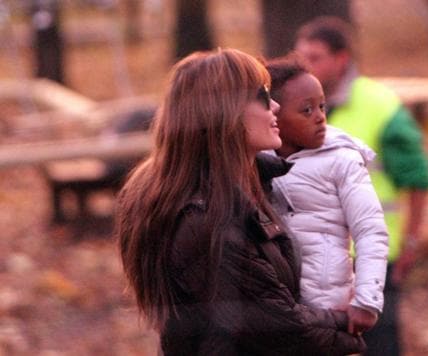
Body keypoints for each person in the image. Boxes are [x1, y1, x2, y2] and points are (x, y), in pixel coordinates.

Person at [115, 48, 365, 355]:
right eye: (261, 97)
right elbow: (282, 328)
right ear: (224, 112)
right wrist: (353, 326)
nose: (274, 106)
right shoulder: (205, 219)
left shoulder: (256, 186)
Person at [295, 17, 428, 355]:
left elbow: (418, 178)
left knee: (380, 343)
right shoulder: (288, 106)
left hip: (373, 254)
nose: (305, 66)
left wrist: (412, 240)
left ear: (341, 59)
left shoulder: (381, 106)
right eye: (301, 57)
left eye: (315, 57)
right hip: (316, 255)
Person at [265, 56, 389, 336]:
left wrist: (367, 299)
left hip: (328, 308)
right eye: (306, 110)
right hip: (276, 310)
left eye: (322, 106)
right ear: (274, 116)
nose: (320, 117)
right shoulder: (254, 161)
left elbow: (370, 231)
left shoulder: (342, 160)